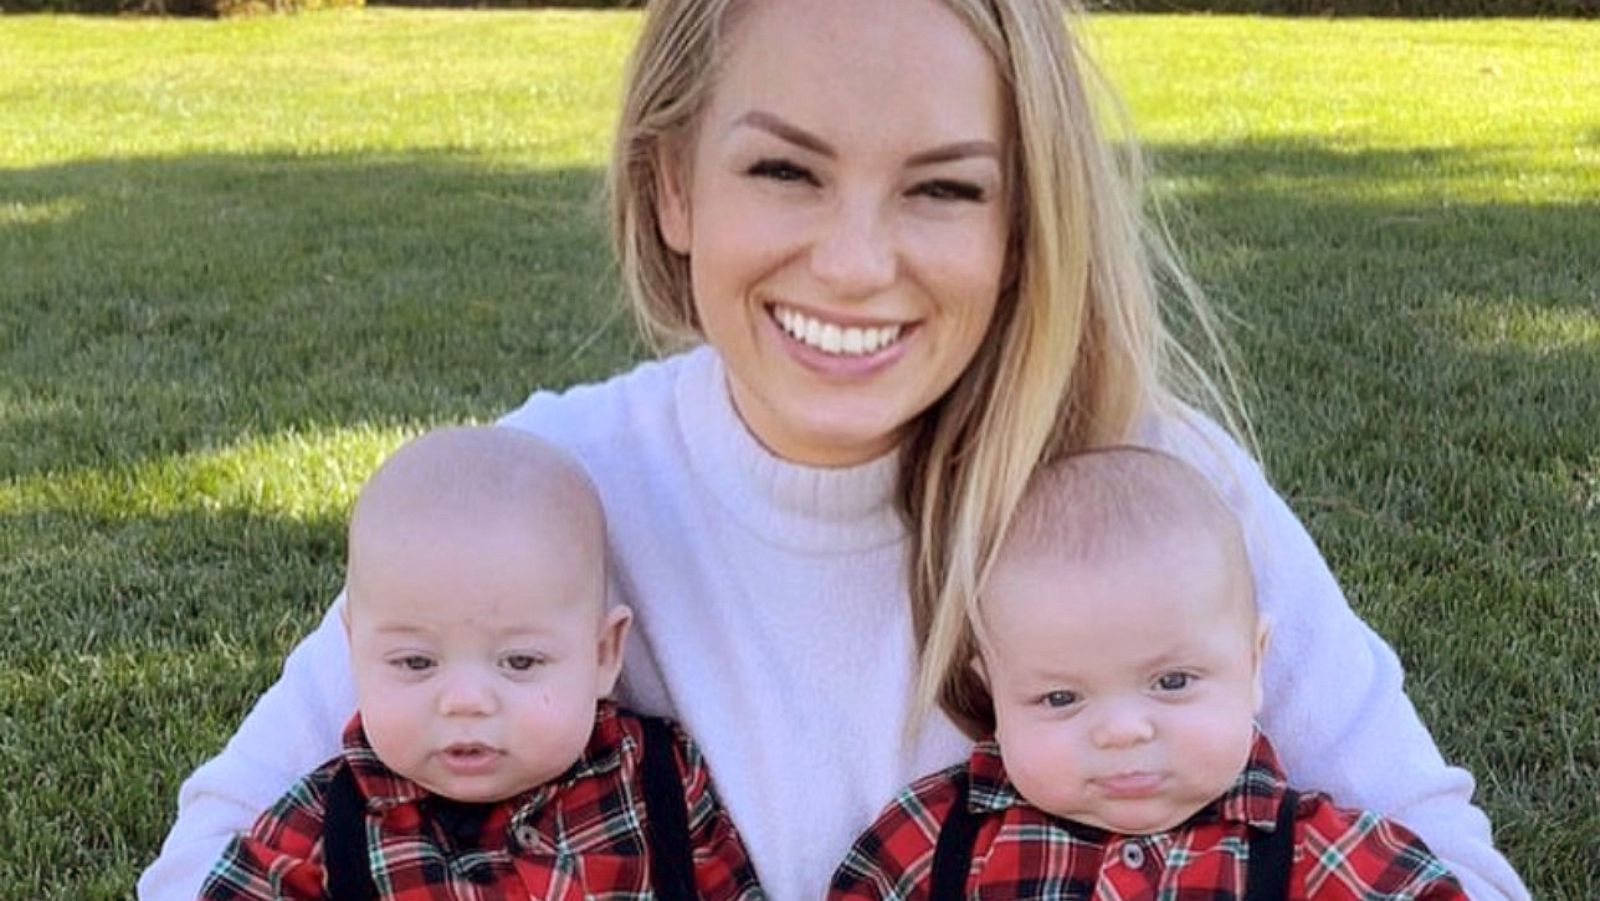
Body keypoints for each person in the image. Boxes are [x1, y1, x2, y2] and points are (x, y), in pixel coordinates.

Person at [141, 1, 1529, 899]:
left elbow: (1445, 858)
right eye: (785, 170)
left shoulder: (1156, 488)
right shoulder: (541, 493)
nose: (856, 263)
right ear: (674, 184)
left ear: (1021, 220)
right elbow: (217, 848)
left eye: (941, 188)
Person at [829, 447, 1468, 899]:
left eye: (1172, 682)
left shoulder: (1320, 858)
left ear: (1253, 664)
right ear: (994, 688)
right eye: (1059, 697)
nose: (1123, 730)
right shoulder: (935, 842)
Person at [196, 426, 762, 901]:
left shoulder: (660, 787)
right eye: (416, 662)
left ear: (603, 654)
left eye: (519, 660)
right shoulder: (322, 831)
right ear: (354, 652)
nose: (465, 700)